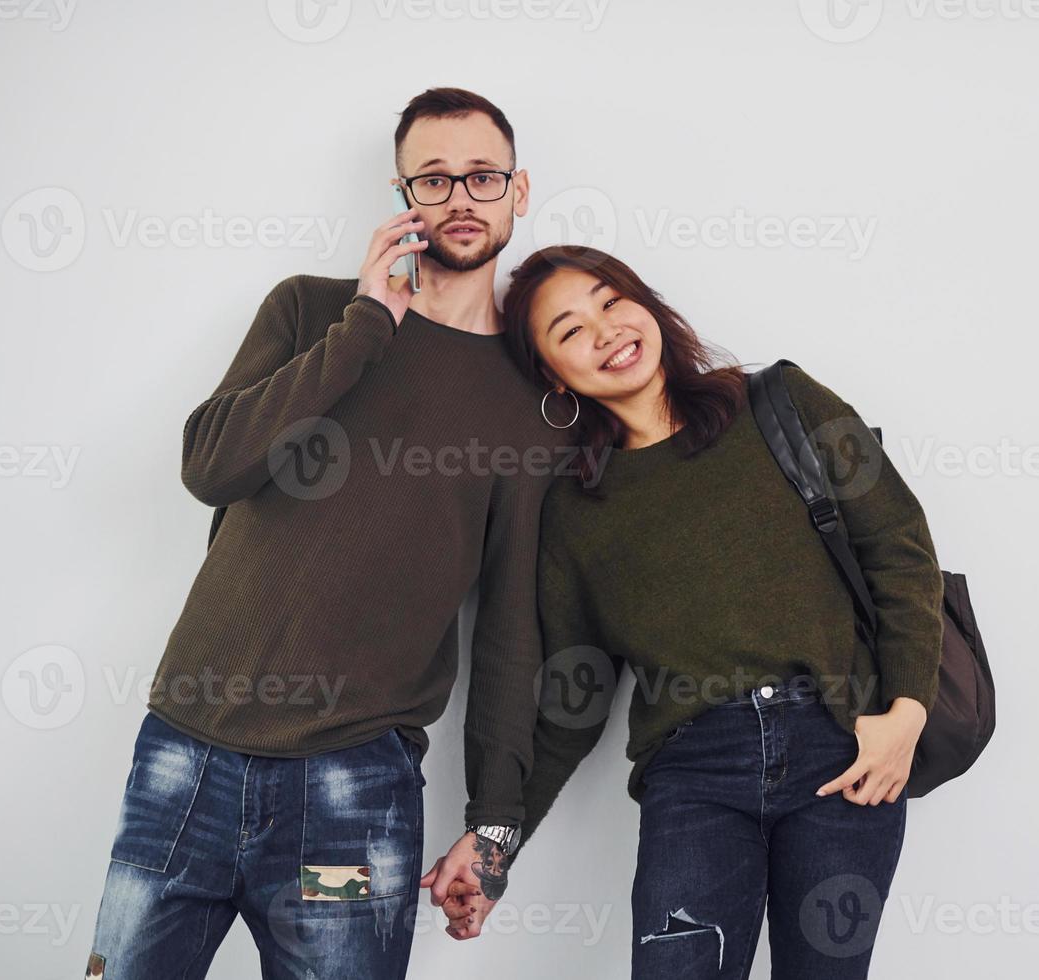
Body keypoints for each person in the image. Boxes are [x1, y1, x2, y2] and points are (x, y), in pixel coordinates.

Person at [82, 88, 559, 980]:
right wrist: (369, 323)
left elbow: (509, 631)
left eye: (483, 176)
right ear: (402, 194)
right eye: (435, 178)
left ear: (519, 190)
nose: (461, 196)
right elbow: (211, 468)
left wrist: (496, 825)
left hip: (349, 798)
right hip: (183, 763)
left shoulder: (532, 405)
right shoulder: (312, 311)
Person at [442, 244, 945, 978]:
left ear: (645, 303)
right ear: (554, 373)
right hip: (693, 773)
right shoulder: (577, 510)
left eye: (611, 301)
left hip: (839, 748)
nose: (606, 330)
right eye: (571, 329)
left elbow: (900, 551)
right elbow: (572, 702)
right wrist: (494, 845)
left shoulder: (782, 402)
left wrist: (907, 713)